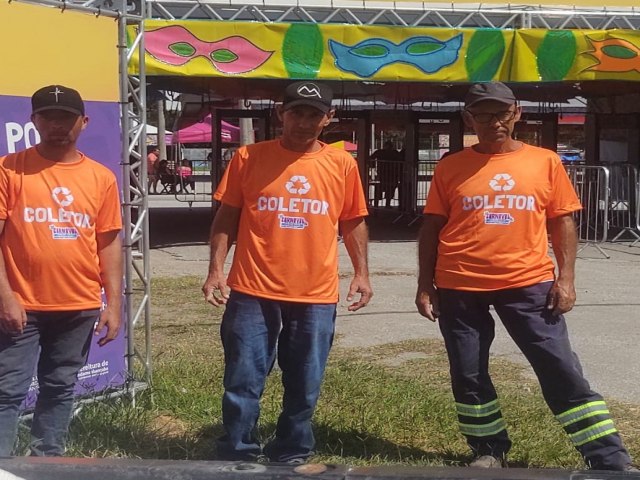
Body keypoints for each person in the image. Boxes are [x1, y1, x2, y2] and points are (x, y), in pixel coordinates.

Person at [415, 82, 637, 471]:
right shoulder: (451, 166)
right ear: (469, 118)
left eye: (501, 113)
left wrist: (566, 278)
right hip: (459, 284)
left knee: (560, 368)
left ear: (516, 112)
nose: (493, 121)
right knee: (468, 372)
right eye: (483, 114)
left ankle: (608, 458)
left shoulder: (545, 162)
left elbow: (562, 221)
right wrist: (424, 284)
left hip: (529, 284)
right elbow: (432, 227)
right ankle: (487, 449)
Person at [202, 80, 372, 464]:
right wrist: (215, 269)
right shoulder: (248, 158)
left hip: (315, 294)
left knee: (305, 382)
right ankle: (238, 451)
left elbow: (353, 221)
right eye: (296, 112)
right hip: (252, 289)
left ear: (328, 119)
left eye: (314, 114)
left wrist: (361, 273)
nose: (304, 121)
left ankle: (291, 451)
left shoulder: (342, 164)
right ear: (281, 114)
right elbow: (227, 216)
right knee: (243, 378)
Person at [0, 85, 123, 457]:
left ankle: (46, 461)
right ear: (33, 120)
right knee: (7, 390)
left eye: (66, 118)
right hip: (22, 306)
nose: (57, 125)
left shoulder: (101, 178)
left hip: (78, 306)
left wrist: (113, 303)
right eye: (48, 117)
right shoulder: (9, 169)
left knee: (59, 387)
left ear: (83, 122)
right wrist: (6, 296)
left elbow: (109, 243)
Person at [370, 140, 402, 208]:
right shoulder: (394, 152)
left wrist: (372, 165)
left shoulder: (380, 152)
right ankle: (387, 204)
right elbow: (401, 160)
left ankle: (378, 204)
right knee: (390, 189)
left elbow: (371, 158)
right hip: (392, 175)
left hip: (383, 174)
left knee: (382, 189)